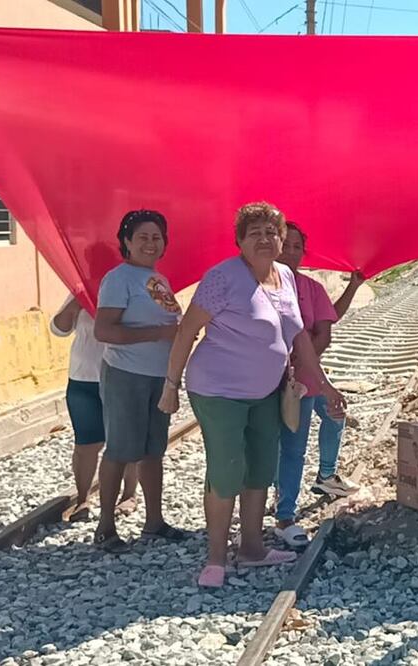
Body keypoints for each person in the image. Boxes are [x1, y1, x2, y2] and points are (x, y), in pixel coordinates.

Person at [159, 202, 346, 587]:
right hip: (218, 390)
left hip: (266, 390)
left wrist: (324, 386)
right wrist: (170, 386)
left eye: (271, 232)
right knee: (228, 469)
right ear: (240, 241)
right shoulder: (223, 278)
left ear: (281, 239)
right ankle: (215, 559)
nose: (264, 239)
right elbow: (187, 331)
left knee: (261, 467)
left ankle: (251, 548)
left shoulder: (286, 277)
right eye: (254, 232)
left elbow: (299, 340)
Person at [92, 209, 183, 553]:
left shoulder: (158, 279)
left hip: (158, 376)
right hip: (126, 375)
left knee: (153, 451)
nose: (150, 242)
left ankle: (154, 521)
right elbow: (105, 330)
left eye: (156, 237)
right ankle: (105, 528)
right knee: (120, 449)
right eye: (142, 237)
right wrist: (159, 333)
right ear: (126, 242)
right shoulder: (118, 279)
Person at [273, 222, 364, 549]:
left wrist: (301, 356)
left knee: (296, 444)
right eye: (287, 245)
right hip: (266, 378)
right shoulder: (257, 285)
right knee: (277, 444)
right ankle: (282, 497)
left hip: (305, 378)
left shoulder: (311, 288)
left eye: (298, 246)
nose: (292, 252)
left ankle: (289, 509)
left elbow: (325, 328)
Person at [51, 294, 137, 522]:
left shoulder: (130, 284)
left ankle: (129, 495)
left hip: (122, 375)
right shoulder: (79, 288)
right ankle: (83, 499)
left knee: (126, 440)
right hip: (83, 377)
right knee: (86, 443)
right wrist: (75, 304)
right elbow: (58, 329)